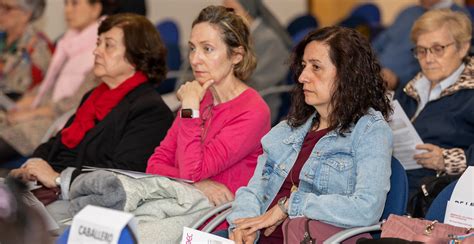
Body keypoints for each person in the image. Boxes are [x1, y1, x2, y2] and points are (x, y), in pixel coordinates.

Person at [227, 26, 393, 243]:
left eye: (316, 67)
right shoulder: (288, 129)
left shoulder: (370, 130)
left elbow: (367, 208)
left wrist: (290, 206)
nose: (303, 77)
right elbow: (253, 190)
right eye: (304, 66)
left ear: (348, 74)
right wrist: (243, 224)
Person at [8, 13, 174, 222]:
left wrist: (59, 180)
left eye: (108, 45)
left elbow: (122, 178)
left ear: (136, 57)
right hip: (52, 193)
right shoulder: (95, 95)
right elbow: (58, 142)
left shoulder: (149, 110)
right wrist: (32, 166)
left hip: (84, 206)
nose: (96, 51)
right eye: (98, 43)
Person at [146, 4, 270, 227]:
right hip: (181, 206)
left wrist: (190, 109)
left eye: (207, 49)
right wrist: (199, 184)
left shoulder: (253, 110)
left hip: (219, 222)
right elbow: (154, 164)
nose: (195, 59)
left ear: (236, 56)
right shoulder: (201, 97)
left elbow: (192, 170)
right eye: (192, 48)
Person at [0, 0, 112, 164]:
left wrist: (32, 112)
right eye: (66, 4)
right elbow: (47, 84)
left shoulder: (98, 50)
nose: (67, 10)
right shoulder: (69, 43)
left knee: (16, 132)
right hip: (40, 112)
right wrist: (25, 103)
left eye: (74, 4)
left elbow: (79, 103)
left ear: (96, 9)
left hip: (57, 122)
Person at [394, 9, 473, 196]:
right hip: (396, 185)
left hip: (439, 193)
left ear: (462, 47)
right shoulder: (410, 87)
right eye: (421, 51)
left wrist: (448, 159)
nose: (428, 59)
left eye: (438, 49)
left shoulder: (470, 93)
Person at [372, 0, 470, 90]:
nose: (428, 58)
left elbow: (431, 69)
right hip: (375, 74)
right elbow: (378, 43)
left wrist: (397, 81)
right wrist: (371, 67)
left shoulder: (458, 16)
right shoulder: (408, 12)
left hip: (401, 86)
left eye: (438, 49)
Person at [0, 0, 52, 100]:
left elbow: (46, 91)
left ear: (26, 15)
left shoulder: (39, 46)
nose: (0, 11)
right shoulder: (2, 36)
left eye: (7, 8)